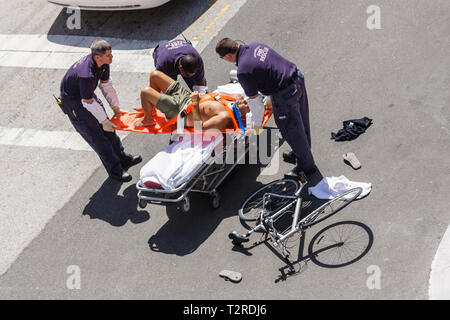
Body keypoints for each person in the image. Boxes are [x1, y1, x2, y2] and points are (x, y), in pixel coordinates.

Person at [215, 38, 317, 179]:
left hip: (284, 95)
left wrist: (256, 129)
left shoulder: (243, 70)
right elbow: (269, 70)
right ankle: (302, 152)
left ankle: (306, 166)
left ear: (227, 56)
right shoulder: (256, 46)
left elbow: (256, 105)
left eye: (222, 58)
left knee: (291, 130)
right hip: (296, 79)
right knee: (301, 120)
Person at [59, 39, 142, 182]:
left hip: (86, 96)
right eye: (109, 55)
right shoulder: (87, 74)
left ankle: (123, 159)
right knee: (97, 137)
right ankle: (115, 170)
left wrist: (115, 108)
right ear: (97, 57)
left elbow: (106, 86)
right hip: (74, 103)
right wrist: (103, 121)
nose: (112, 57)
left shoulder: (103, 64)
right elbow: (87, 102)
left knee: (109, 130)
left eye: (111, 54)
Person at [136, 70, 249, 131]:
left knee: (145, 92)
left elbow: (199, 129)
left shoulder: (224, 117)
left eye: (246, 104)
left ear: (243, 115)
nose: (244, 101)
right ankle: (151, 108)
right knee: (155, 75)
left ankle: (148, 119)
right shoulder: (236, 97)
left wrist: (195, 103)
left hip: (181, 112)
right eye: (246, 100)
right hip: (187, 97)